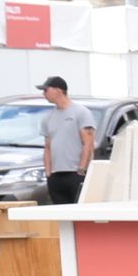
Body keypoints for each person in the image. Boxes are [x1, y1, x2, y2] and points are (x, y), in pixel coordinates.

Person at [34, 76, 95, 205]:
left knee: (79, 212)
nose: (43, 94)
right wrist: (48, 173)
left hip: (75, 173)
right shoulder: (48, 117)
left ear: (58, 90)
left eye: (46, 90)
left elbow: (88, 143)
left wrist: (82, 170)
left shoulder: (81, 112)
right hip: (56, 175)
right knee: (60, 214)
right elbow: (47, 147)